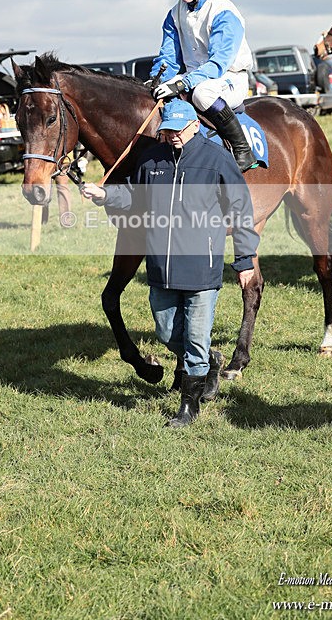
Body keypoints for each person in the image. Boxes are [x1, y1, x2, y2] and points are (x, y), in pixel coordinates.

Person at [81, 98, 259, 428]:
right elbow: (135, 195)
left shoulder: (217, 159)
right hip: (161, 267)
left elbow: (240, 208)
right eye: (168, 130)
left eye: (178, 130)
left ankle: (188, 408)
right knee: (165, 333)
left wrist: (245, 258)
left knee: (195, 339)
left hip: (201, 267)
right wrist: (106, 195)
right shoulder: (153, 159)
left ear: (195, 126)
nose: (172, 136)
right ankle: (209, 360)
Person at [148, 0, 258, 172]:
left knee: (202, 93)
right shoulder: (174, 13)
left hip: (228, 78)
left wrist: (182, 83)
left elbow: (218, 64)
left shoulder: (224, 12)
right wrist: (157, 80)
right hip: (193, 76)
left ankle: (242, 149)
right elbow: (169, 58)